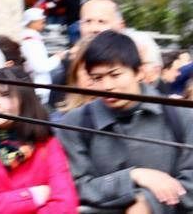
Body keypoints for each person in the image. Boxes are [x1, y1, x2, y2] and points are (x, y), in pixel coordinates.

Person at [60, 30, 193, 214]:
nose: (107, 86)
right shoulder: (74, 123)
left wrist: (149, 203)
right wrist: (133, 176)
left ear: (138, 72)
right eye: (97, 78)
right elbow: (74, 186)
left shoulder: (181, 116)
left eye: (115, 75)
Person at [0, 66, 79, 213]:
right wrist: (31, 196)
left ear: (25, 102)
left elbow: (65, 204)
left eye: (5, 95)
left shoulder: (47, 145)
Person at [50, 0, 126, 107]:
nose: (93, 29)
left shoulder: (136, 66)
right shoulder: (64, 73)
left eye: (102, 21)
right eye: (88, 21)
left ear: (121, 26)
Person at [20, 7, 63, 103]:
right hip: (38, 88)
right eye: (41, 22)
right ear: (32, 22)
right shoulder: (31, 41)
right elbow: (40, 67)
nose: (44, 24)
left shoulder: (32, 38)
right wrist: (57, 58)